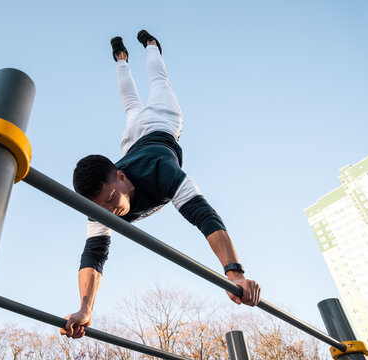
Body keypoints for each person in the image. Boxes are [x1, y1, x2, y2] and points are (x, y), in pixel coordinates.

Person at [61, 30, 261, 339]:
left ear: (121, 177)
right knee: (129, 102)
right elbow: (94, 254)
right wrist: (85, 308)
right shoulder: (97, 209)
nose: (110, 211)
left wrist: (235, 273)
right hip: (134, 143)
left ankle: (152, 47)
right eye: (101, 207)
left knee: (158, 84)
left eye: (112, 199)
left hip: (161, 124)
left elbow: (204, 216)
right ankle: (121, 60)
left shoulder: (163, 173)